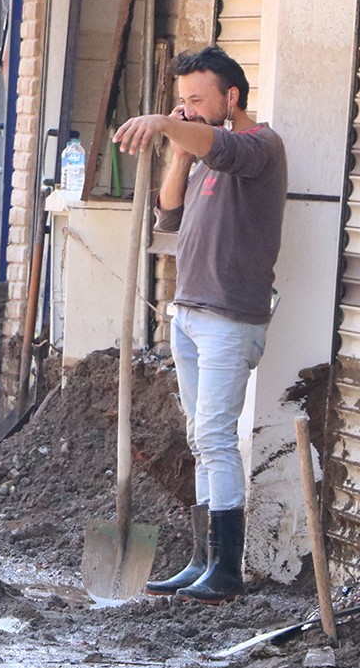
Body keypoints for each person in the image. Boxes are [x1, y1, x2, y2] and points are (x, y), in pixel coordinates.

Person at [114, 46, 287, 605]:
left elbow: (224, 147)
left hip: (229, 317)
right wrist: (177, 149)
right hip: (189, 312)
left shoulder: (259, 147)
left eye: (197, 99)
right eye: (180, 99)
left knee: (216, 437)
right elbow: (169, 211)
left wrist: (166, 123)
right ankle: (201, 559)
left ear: (231, 97)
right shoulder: (203, 159)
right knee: (199, 437)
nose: (187, 109)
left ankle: (226, 568)